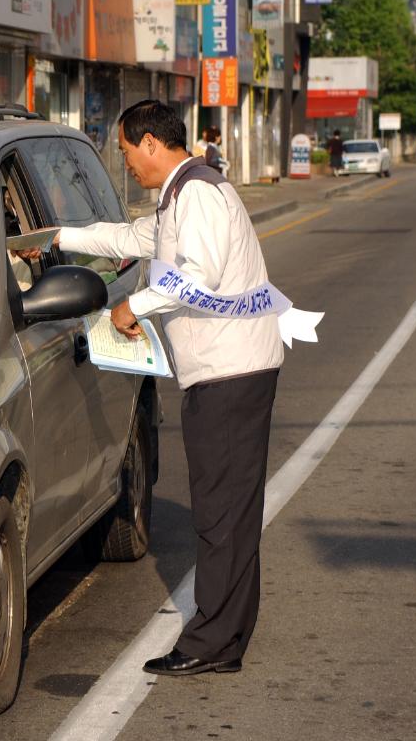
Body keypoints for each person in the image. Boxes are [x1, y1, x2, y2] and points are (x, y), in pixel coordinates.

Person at [53, 100, 284, 676]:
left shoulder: (198, 192)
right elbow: (132, 237)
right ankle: (224, 639)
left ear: (152, 143)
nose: (127, 164)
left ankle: (212, 643)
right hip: (227, 369)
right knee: (227, 510)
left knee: (222, 514)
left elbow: (198, 277)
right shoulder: (182, 193)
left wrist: (135, 304)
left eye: (128, 153)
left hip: (231, 373)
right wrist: (57, 236)